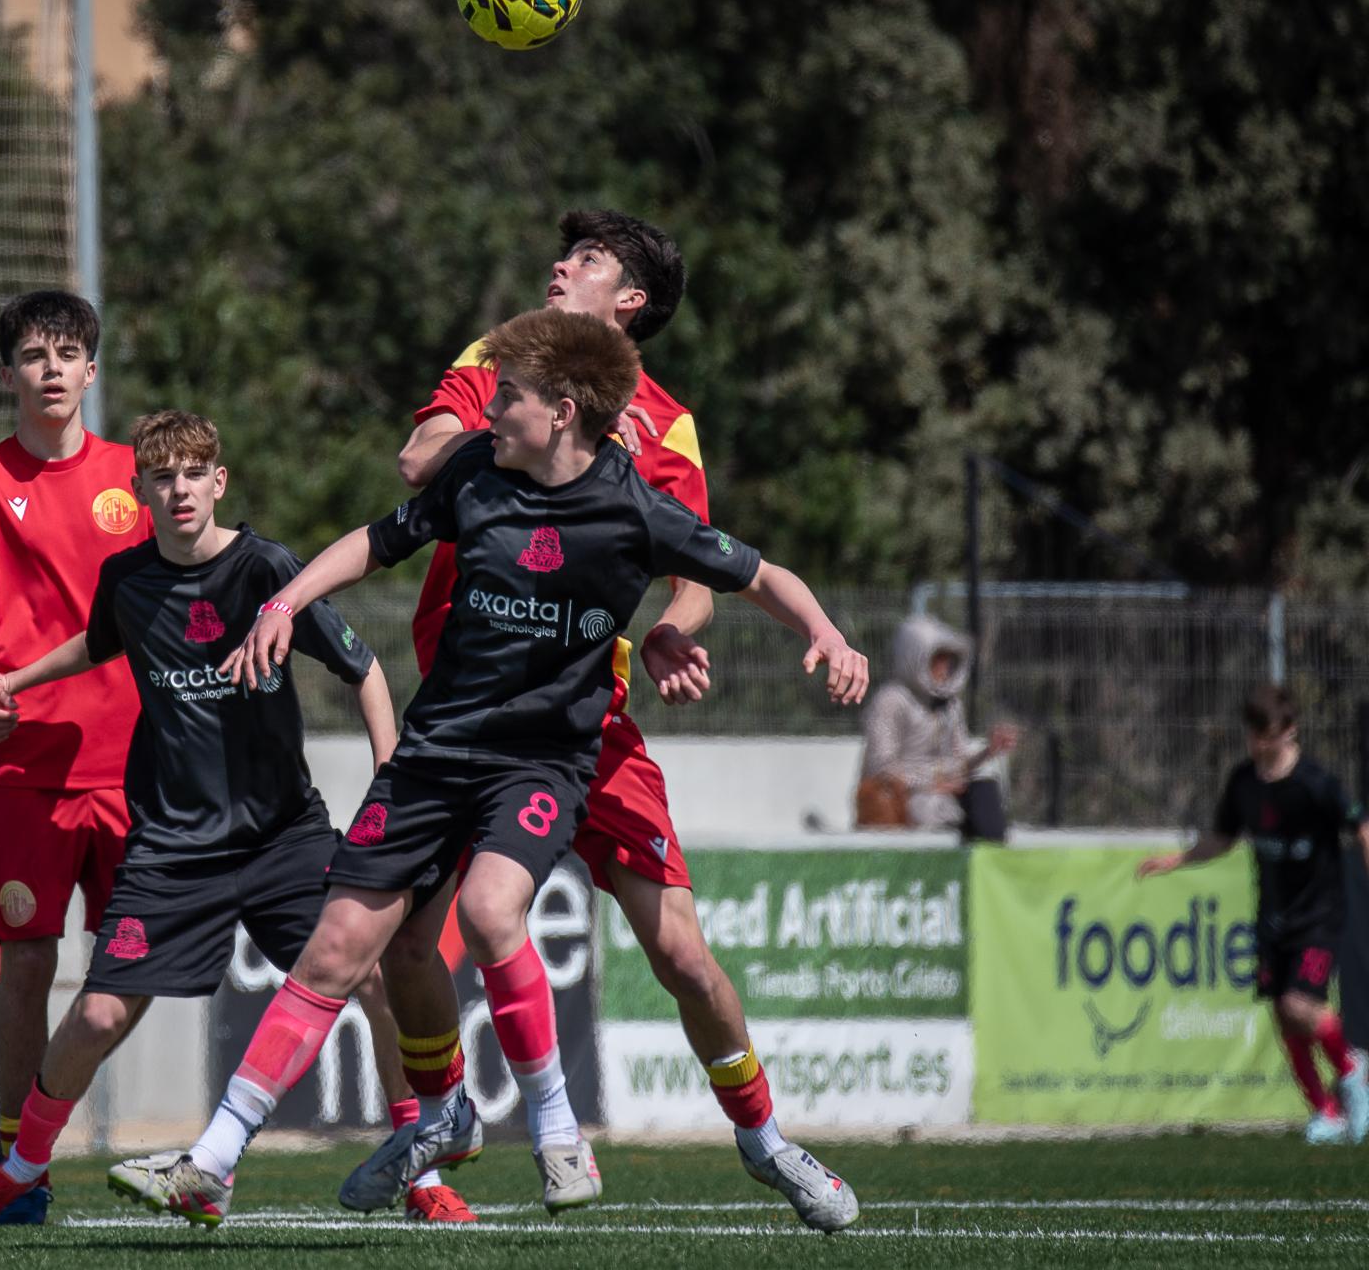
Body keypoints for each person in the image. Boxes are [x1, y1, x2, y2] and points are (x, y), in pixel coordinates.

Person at [110, 308, 868, 1227]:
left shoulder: (631, 500)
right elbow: (376, 537)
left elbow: (757, 574)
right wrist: (286, 598)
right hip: (438, 749)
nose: (490, 407)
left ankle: (607, 1132)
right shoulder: (475, 470)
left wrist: (826, 633)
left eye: (506, 394)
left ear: (562, 410)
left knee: (532, 918)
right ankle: (221, 1158)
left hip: (546, 757)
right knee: (345, 944)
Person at [379, 209, 861, 1230]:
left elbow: (698, 561)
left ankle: (764, 1137)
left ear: (628, 301)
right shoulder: (496, 360)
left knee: (680, 951)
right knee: (403, 946)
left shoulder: (666, 422)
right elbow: (419, 457)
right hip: (461, 718)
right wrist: (515, 423)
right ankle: (446, 1111)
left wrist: (681, 628)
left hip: (578, 726)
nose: (559, 266)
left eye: (587, 261)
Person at [0, 409, 472, 1225]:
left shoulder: (266, 569)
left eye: (195, 474)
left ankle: (424, 1172)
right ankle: (18, 1170)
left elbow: (363, 670)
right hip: (172, 845)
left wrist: (390, 775)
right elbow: (99, 643)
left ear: (218, 482)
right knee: (95, 1011)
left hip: (284, 837)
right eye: (163, 476)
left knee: (373, 977)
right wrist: (17, 679)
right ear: (141, 489)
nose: (180, 489)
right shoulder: (129, 577)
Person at [0, 290, 149, 1225]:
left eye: (67, 352)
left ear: (92, 371)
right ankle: (21, 1152)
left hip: (138, 762)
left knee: (134, 963)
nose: (51, 367)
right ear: (9, 373)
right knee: (26, 962)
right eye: (33, 353)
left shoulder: (140, 474)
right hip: (21, 769)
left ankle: (36, 1130)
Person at [1138, 685, 1368, 1144]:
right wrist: (1176, 860)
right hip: (1273, 917)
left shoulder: (1315, 785)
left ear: (1289, 731)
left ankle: (1352, 1068)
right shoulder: (1243, 783)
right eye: (1253, 733)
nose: (1259, 743)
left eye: (1268, 734)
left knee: (1298, 1005)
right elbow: (1223, 838)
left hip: (1318, 916)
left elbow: (1360, 824)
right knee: (1283, 1018)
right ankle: (1326, 1111)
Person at [858, 615, 1017, 839]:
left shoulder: (951, 704)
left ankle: (992, 863)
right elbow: (881, 768)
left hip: (944, 794)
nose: (945, 667)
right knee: (935, 811)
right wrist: (934, 783)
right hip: (905, 799)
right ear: (915, 656)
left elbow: (959, 761)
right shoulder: (890, 701)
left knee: (985, 792)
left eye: (948, 659)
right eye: (937, 659)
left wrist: (988, 751)